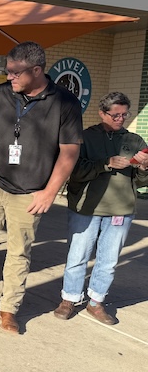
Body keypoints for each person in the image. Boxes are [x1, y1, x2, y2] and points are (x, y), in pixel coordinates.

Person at [0, 41, 83, 334]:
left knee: (19, 253)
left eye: (15, 72)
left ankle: (8, 311)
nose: (9, 77)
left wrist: (49, 192)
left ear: (37, 70)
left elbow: (69, 152)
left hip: (31, 193)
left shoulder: (65, 102)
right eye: (7, 71)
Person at [53, 92, 148, 324]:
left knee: (109, 259)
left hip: (121, 210)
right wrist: (105, 164)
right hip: (86, 207)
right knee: (78, 255)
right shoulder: (84, 137)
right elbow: (74, 171)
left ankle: (96, 302)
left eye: (124, 114)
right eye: (115, 115)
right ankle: (69, 298)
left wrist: (144, 168)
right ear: (102, 113)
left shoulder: (135, 141)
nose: (120, 119)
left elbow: (140, 183)